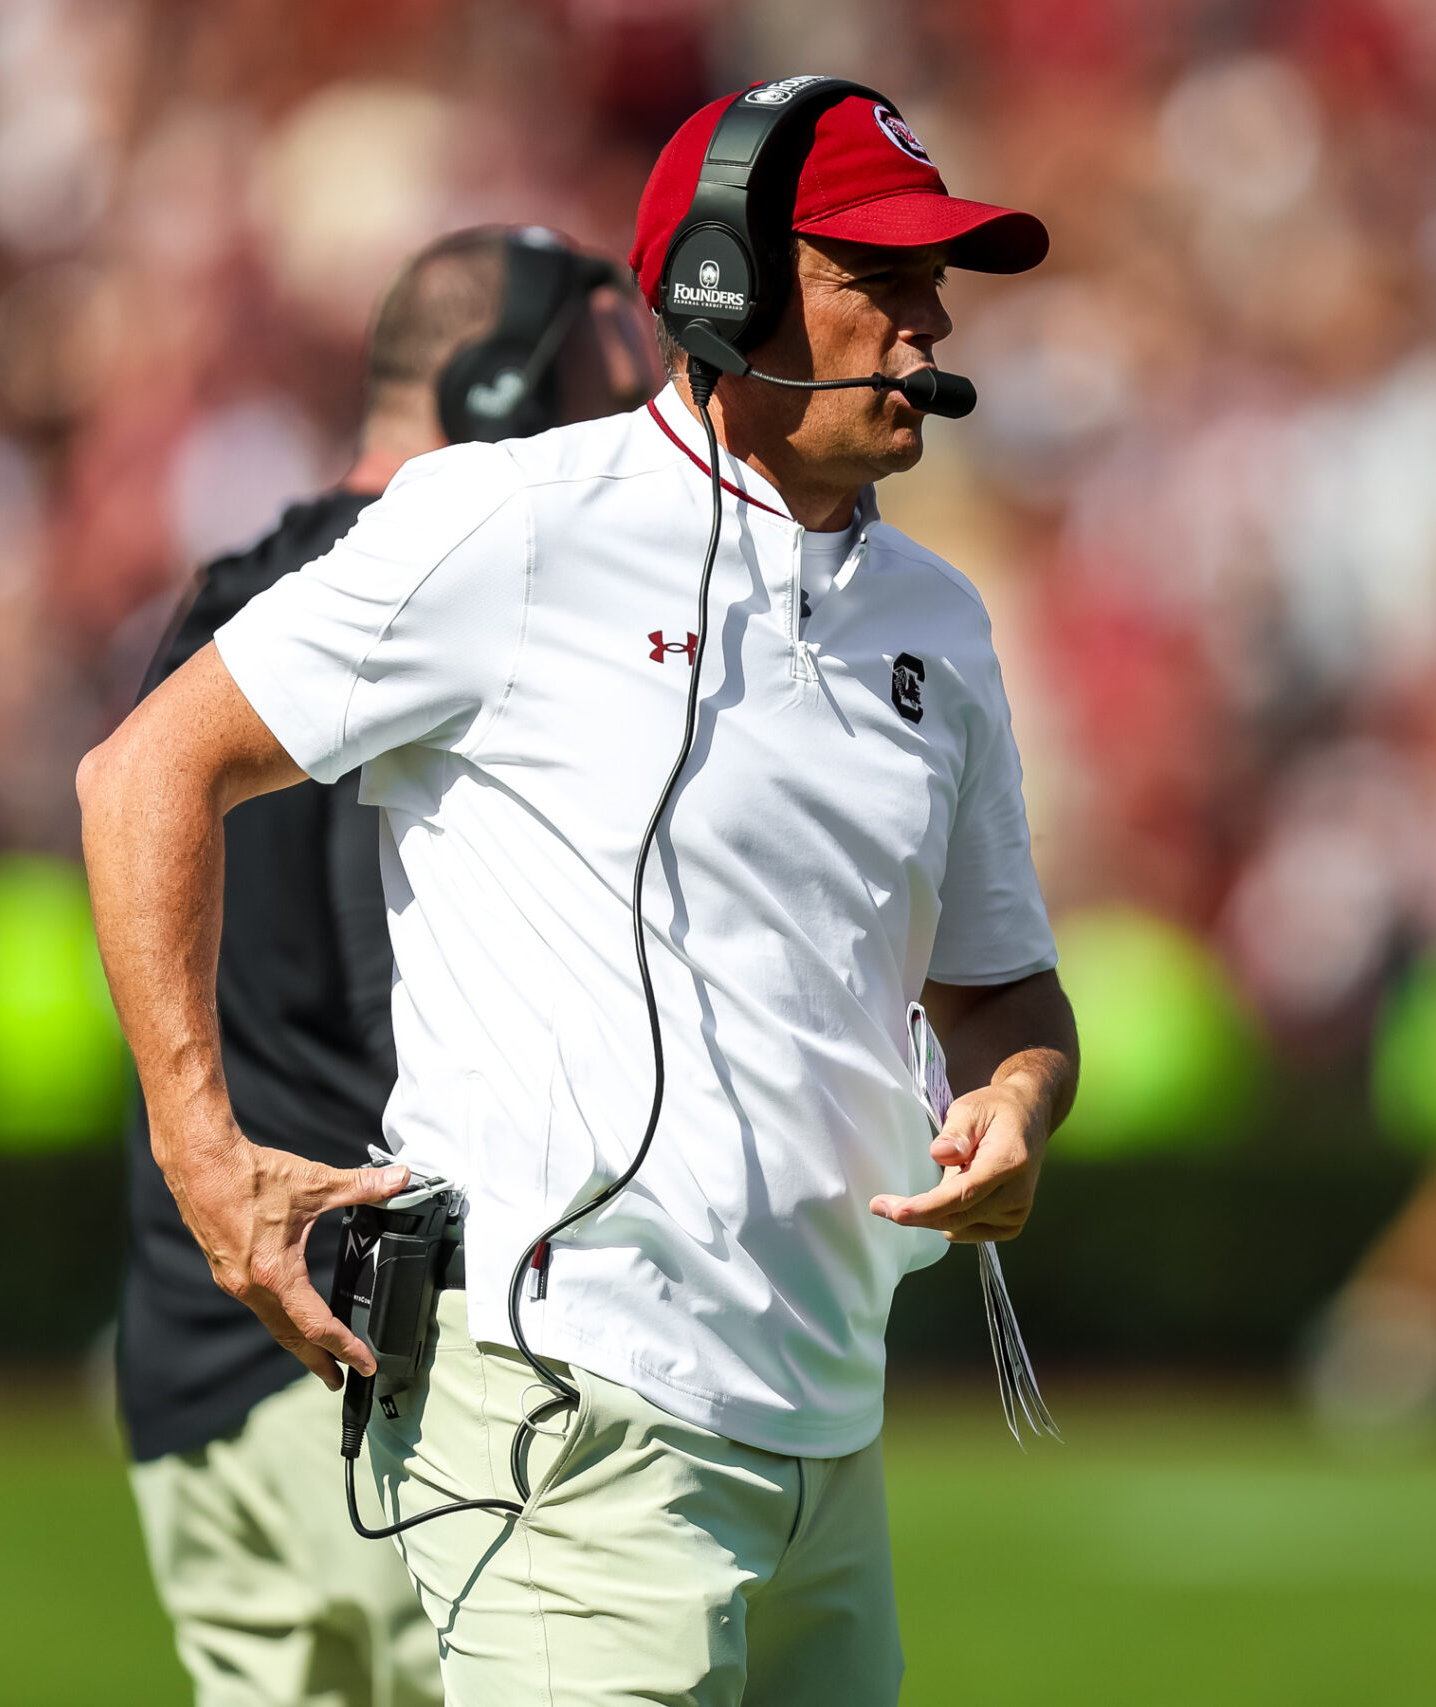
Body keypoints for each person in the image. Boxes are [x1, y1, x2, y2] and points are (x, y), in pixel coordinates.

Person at [80, 78, 1077, 1705]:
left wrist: (1022, 1100)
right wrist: (208, 1158)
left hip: (829, 1429)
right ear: (719, 293)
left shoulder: (940, 622)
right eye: (876, 278)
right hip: (572, 1417)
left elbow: (1003, 991)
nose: (930, 322)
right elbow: (142, 774)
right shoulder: (514, 523)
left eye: (932, 282)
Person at [115, 226, 653, 1707]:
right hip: (379, 1366)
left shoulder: (221, 593)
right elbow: (401, 990)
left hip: (190, 1354)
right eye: (620, 382)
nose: (652, 431)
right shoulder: (462, 605)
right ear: (500, 394)